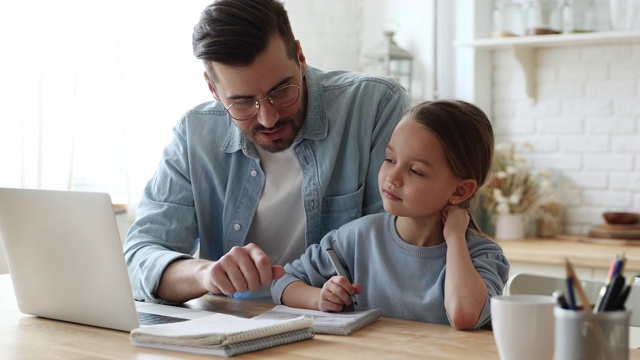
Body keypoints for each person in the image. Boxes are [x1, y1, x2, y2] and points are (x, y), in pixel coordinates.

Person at [123, 0, 409, 303]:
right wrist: (206, 274)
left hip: (342, 326)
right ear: (213, 89)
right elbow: (140, 258)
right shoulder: (194, 135)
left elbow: (400, 248)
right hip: (233, 329)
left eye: (281, 91)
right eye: (243, 102)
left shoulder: (373, 106)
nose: (268, 118)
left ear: (300, 57)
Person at [271, 100, 510, 330]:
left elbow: (464, 315)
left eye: (415, 171)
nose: (392, 177)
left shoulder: (483, 256)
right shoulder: (356, 237)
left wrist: (456, 237)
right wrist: (320, 298)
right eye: (389, 159)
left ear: (460, 190)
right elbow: (283, 283)